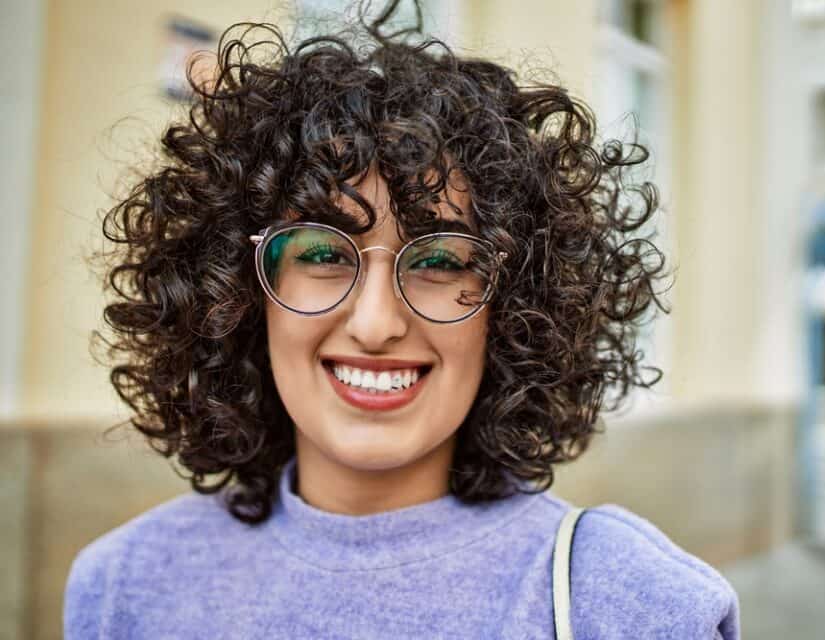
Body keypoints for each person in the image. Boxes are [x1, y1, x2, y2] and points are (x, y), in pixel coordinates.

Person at [64, 1, 740, 637]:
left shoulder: (629, 604)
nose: (376, 322)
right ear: (238, 294)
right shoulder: (123, 586)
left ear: (514, 308)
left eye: (442, 261)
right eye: (324, 252)